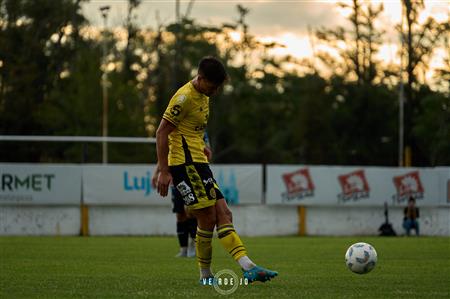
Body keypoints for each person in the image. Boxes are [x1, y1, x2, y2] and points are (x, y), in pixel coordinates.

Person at [152, 56, 278, 284]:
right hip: (185, 165)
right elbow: (162, 132)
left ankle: (248, 267)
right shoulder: (184, 97)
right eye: (213, 86)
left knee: (224, 214)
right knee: (207, 218)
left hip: (199, 163)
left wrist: (201, 145)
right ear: (200, 78)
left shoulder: (203, 95)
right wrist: (162, 170)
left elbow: (189, 131)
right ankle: (206, 275)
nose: (216, 91)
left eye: (218, 87)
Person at [172, 133, 212, 258]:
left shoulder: (200, 132)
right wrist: (159, 172)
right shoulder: (173, 129)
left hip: (192, 175)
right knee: (180, 214)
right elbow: (167, 152)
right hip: (177, 176)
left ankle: (192, 245)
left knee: (191, 211)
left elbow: (208, 153)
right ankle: (183, 249)